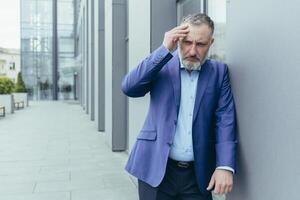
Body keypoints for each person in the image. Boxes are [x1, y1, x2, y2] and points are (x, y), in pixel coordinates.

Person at [121, 13, 237, 200]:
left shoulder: (219, 72)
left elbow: (225, 119)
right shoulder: (161, 65)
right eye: (187, 42)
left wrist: (224, 165)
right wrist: (164, 49)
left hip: (197, 175)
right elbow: (129, 88)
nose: (192, 51)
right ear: (177, 39)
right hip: (156, 169)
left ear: (211, 42)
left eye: (200, 44)